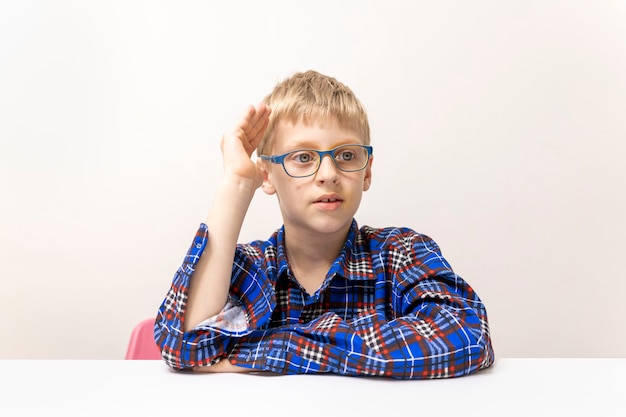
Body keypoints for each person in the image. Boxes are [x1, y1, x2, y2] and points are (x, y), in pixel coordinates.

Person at [154, 70, 495, 379]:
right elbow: (183, 346)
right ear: (267, 174)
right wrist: (237, 184)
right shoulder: (248, 268)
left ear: (368, 170)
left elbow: (467, 335)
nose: (329, 174)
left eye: (346, 156)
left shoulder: (401, 253)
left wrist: (279, 349)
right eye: (303, 158)